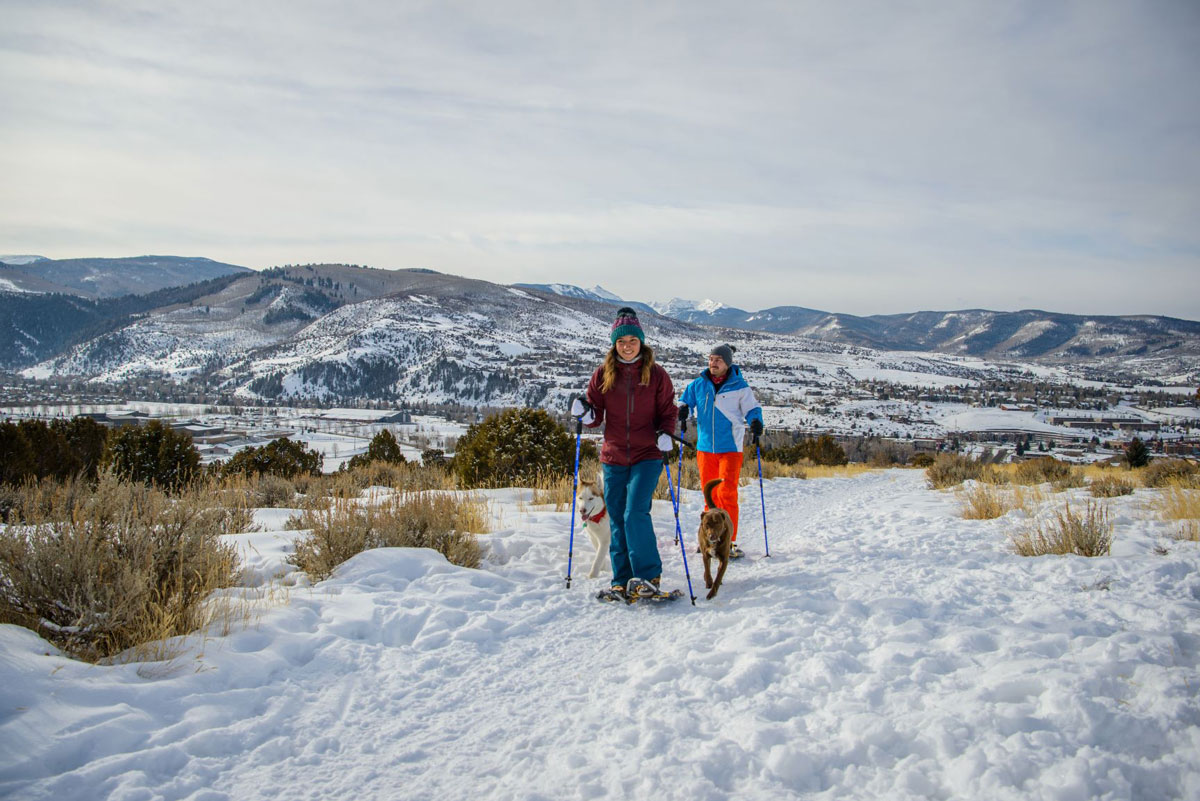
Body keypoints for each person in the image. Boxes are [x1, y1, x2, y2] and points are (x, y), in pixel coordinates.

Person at [570, 307, 677, 599]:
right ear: (614, 344)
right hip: (614, 456)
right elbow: (594, 416)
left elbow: (669, 412)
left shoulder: (656, 375)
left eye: (632, 340)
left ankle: (647, 575)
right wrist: (584, 412)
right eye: (621, 341)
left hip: (648, 454)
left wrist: (666, 434)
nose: (627, 346)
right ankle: (622, 578)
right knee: (616, 517)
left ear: (641, 341)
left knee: (634, 513)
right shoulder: (604, 374)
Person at [678, 344, 764, 558]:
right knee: (710, 494)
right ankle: (709, 538)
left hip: (730, 448)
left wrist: (755, 422)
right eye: (711, 359)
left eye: (718, 360)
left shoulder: (740, 387)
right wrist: (683, 408)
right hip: (705, 448)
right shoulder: (698, 384)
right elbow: (684, 399)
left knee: (727, 494)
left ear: (727, 363)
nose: (713, 363)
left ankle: (730, 541)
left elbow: (753, 409)